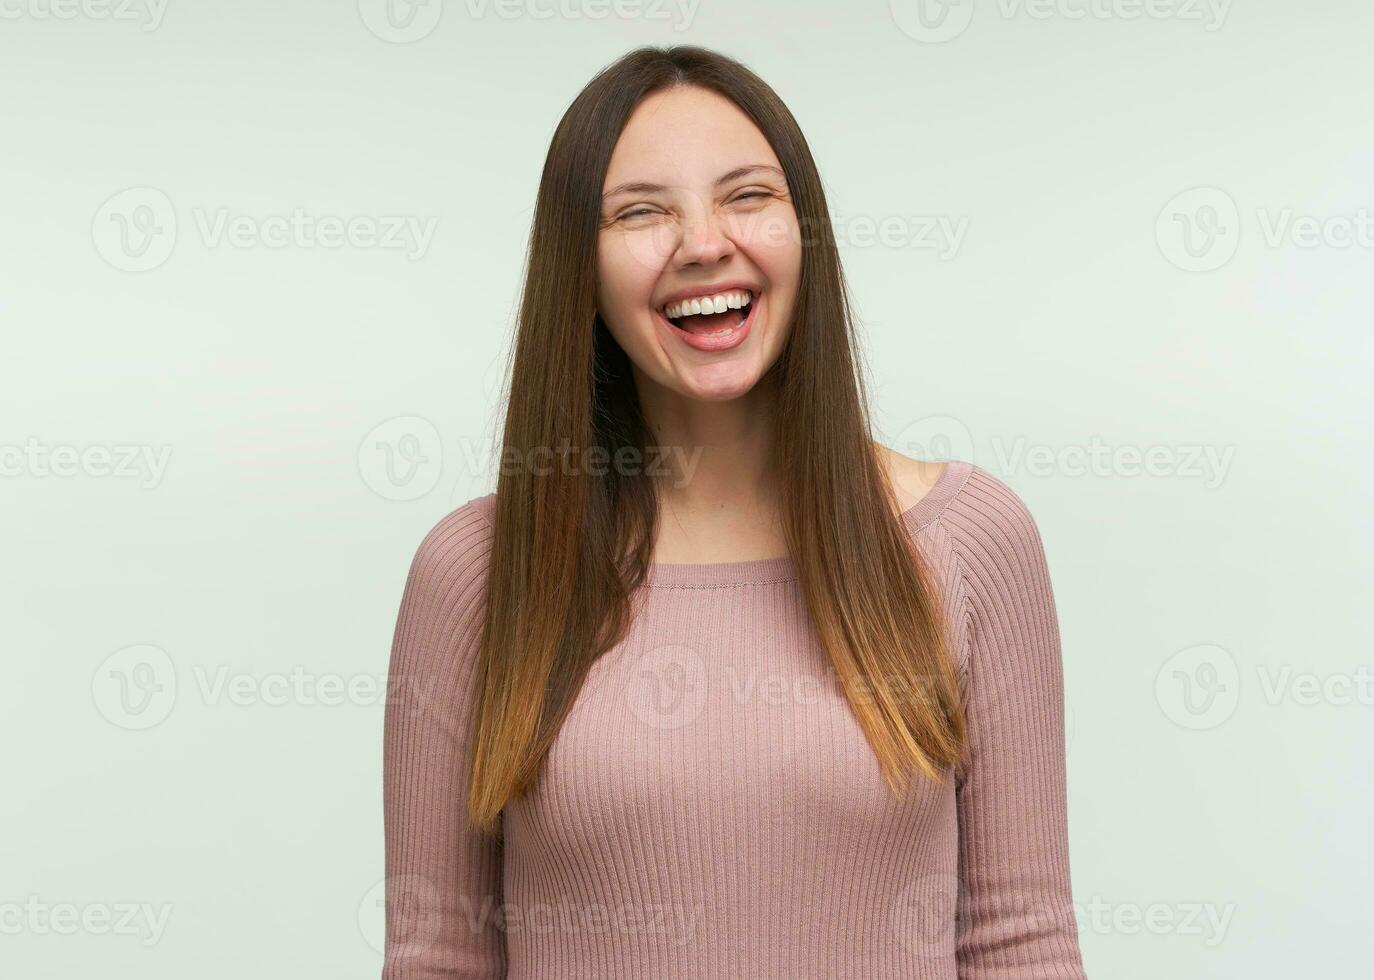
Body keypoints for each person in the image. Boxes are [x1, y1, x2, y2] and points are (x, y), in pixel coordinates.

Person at [381, 44, 1087, 979]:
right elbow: (438, 958)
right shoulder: (475, 571)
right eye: (641, 212)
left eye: (747, 196)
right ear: (577, 269)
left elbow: (1021, 947)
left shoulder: (970, 542)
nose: (704, 243)